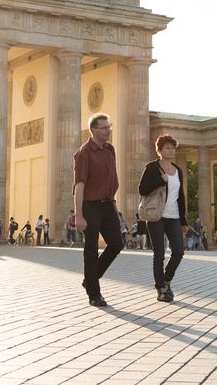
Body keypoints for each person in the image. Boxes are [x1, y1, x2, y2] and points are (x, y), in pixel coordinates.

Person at [73, 112, 124, 307]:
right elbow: (79, 186)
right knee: (91, 249)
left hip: (108, 204)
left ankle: (91, 278)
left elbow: (110, 181)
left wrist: (115, 208)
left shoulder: (110, 150)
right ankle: (94, 294)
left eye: (110, 126)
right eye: (105, 127)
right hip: (90, 206)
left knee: (116, 244)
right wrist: (79, 215)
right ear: (94, 130)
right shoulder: (83, 153)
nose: (109, 130)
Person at [139, 133, 187, 302]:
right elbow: (142, 189)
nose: (171, 150)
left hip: (173, 216)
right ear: (159, 150)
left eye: (173, 148)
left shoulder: (178, 170)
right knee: (159, 253)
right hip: (156, 215)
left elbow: (180, 196)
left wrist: (184, 220)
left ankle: (166, 280)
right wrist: (161, 180)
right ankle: (161, 289)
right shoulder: (151, 168)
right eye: (167, 147)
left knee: (179, 252)